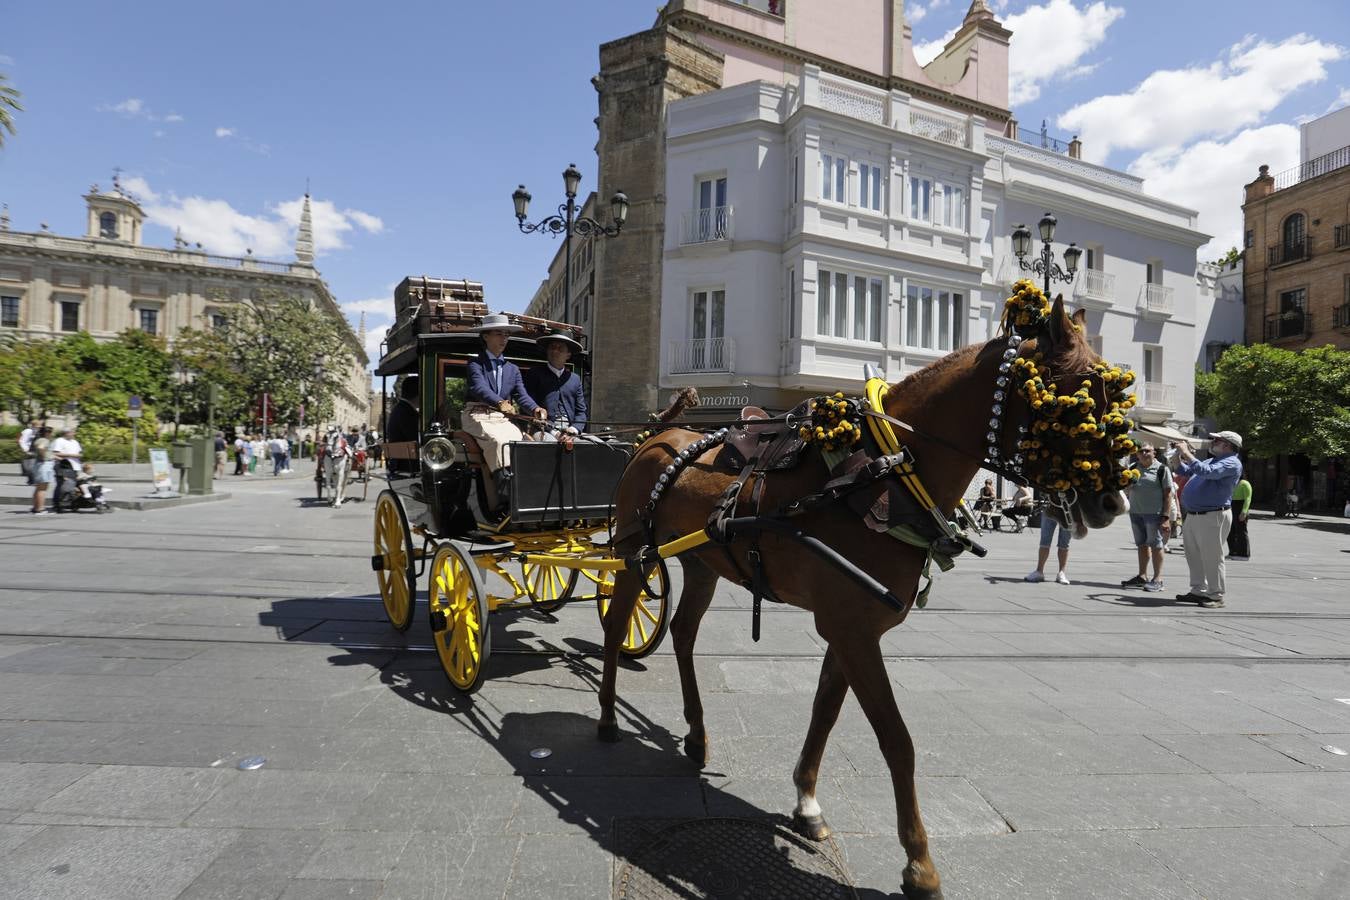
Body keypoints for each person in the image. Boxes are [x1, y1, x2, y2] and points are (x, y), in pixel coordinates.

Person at [462, 313, 546, 511]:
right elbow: (479, 388)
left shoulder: (513, 369)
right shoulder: (475, 364)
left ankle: (526, 495)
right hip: (476, 414)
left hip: (501, 419)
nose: (503, 339)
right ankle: (504, 500)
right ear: (485, 336)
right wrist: (500, 401)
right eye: (498, 334)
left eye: (506, 335)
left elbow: (522, 395)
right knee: (499, 442)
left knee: (522, 443)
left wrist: (535, 408)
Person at [1174, 430, 1244, 609]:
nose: (1212, 442)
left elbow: (1206, 472)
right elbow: (1185, 471)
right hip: (1196, 514)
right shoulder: (1212, 459)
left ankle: (1216, 595)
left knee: (1212, 557)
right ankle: (1198, 590)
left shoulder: (1231, 462)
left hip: (1213, 515)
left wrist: (1187, 453)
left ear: (1226, 445)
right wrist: (1178, 454)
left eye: (1216, 440)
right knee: (1194, 555)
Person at [1121, 445, 1173, 592]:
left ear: (1154, 453)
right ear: (1137, 454)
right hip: (1135, 513)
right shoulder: (1132, 468)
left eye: (1147, 451)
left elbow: (1168, 495)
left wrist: (1166, 517)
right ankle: (1142, 576)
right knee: (1141, 545)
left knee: (1156, 545)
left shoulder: (1162, 469)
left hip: (1154, 514)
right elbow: (1126, 489)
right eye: (1141, 451)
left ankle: (1158, 579)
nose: (1144, 453)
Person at [524, 331, 588, 438]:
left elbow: (581, 412)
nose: (555, 351)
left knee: (592, 446)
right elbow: (528, 406)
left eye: (560, 348)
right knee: (550, 447)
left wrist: (574, 429)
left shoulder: (575, 379)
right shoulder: (534, 374)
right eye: (552, 347)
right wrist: (555, 432)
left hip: (570, 432)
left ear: (568, 355)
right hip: (543, 430)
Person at [385, 377, 420, 475]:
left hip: (401, 463)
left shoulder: (401, 408)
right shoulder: (406, 411)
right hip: (408, 465)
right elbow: (416, 438)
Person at [1026, 511, 1073, 585]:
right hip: (1050, 508)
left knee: (1064, 543)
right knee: (1045, 541)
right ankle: (1039, 571)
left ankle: (1061, 573)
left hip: (1068, 510)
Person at [49, 427, 83, 509]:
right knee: (61, 485)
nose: (74, 434)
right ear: (66, 433)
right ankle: (57, 503)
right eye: (72, 432)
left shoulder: (75, 442)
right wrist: (71, 455)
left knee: (73, 486)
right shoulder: (59, 441)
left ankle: (70, 503)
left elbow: (79, 453)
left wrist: (79, 456)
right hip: (63, 466)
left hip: (75, 466)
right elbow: (56, 453)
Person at [1228, 470, 1252, 561]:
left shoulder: (1245, 483)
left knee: (1241, 531)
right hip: (1231, 507)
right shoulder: (1232, 483)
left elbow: (1248, 499)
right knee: (1230, 531)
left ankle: (1244, 554)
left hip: (1240, 508)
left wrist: (1244, 512)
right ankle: (1233, 552)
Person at [30, 426, 53, 515]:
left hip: (39, 465)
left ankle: (35, 507)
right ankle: (40, 509)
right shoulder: (44, 440)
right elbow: (41, 448)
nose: (51, 434)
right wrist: (43, 457)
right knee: (43, 488)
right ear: (47, 433)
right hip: (44, 465)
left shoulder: (39, 439)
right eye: (51, 432)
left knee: (38, 488)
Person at [17, 419, 37, 484]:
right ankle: (31, 479)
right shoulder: (28, 431)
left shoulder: (38, 432)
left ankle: (33, 479)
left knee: (32, 466)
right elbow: (21, 440)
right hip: (27, 450)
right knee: (26, 467)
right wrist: (25, 450)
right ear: (34, 425)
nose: (39, 427)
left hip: (34, 451)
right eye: (38, 425)